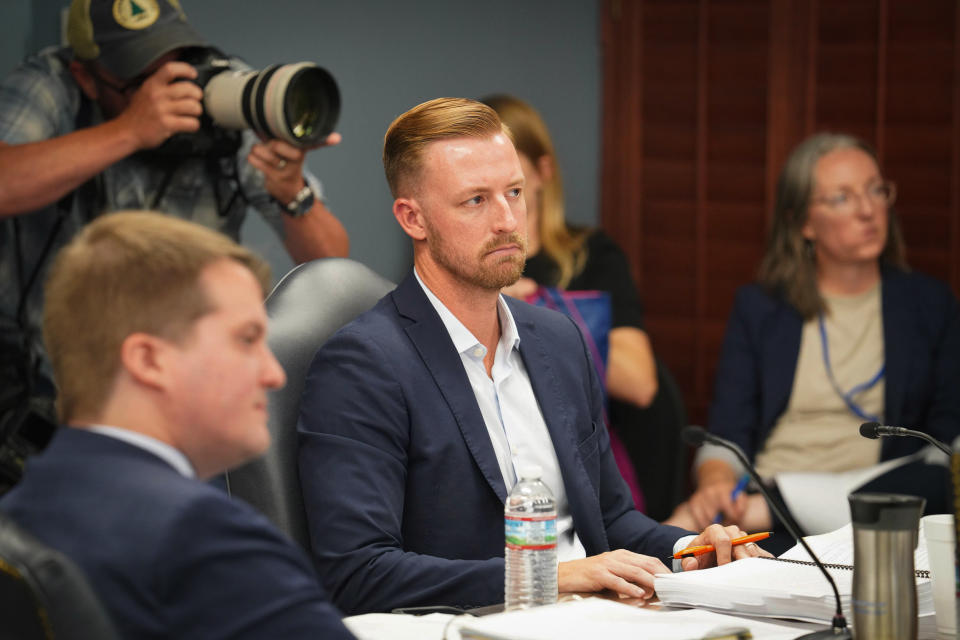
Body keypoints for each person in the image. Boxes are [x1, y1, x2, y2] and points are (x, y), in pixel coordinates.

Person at [296, 97, 765, 615]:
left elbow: (610, 520)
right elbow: (359, 574)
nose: (506, 220)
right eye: (475, 200)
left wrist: (691, 551)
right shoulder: (363, 365)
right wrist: (553, 577)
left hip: (595, 616)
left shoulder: (559, 340)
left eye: (514, 193)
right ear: (414, 219)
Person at [0, 0, 348, 465]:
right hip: (46, 400)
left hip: (184, 404)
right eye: (141, 79)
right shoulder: (54, 85)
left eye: (178, 62)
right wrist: (130, 130)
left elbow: (330, 266)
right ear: (87, 76)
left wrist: (292, 191)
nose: (171, 87)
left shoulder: (223, 92)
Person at [0, 211, 355, 639]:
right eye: (246, 339)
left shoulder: (21, 512)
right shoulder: (207, 539)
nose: (274, 374)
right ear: (149, 360)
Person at [667, 132, 960, 552]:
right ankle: (753, 515)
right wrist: (716, 483)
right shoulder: (761, 308)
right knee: (720, 540)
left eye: (876, 190)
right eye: (842, 197)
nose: (867, 209)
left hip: (875, 508)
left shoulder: (930, 305)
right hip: (767, 495)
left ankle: (767, 510)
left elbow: (945, 438)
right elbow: (728, 431)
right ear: (804, 221)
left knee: (941, 474)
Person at [483, 94, 657, 513]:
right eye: (477, 192)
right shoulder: (469, 269)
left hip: (576, 453)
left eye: (513, 185)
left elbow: (640, 383)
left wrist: (534, 314)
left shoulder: (594, 256)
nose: (501, 209)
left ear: (542, 173)